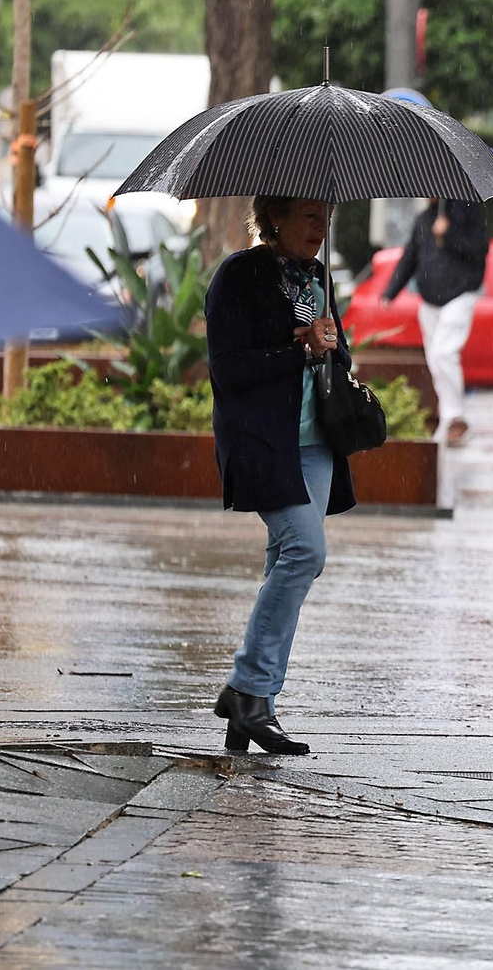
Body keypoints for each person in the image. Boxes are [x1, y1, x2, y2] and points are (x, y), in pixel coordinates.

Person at [206, 195, 356, 755]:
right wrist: (297, 351)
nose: (321, 226)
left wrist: (332, 347)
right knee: (305, 553)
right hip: (264, 441)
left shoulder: (318, 278)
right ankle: (246, 689)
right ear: (275, 216)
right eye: (310, 216)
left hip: (317, 442)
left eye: (327, 216)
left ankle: (255, 708)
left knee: (285, 563)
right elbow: (227, 369)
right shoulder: (239, 275)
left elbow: (334, 357)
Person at [381, 198, 490, 447]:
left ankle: (455, 417)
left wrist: (449, 235)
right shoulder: (424, 219)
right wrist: (391, 291)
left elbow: (479, 249)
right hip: (429, 301)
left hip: (460, 295)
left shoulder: (468, 214)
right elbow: (410, 256)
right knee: (434, 360)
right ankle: (447, 417)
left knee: (444, 354)